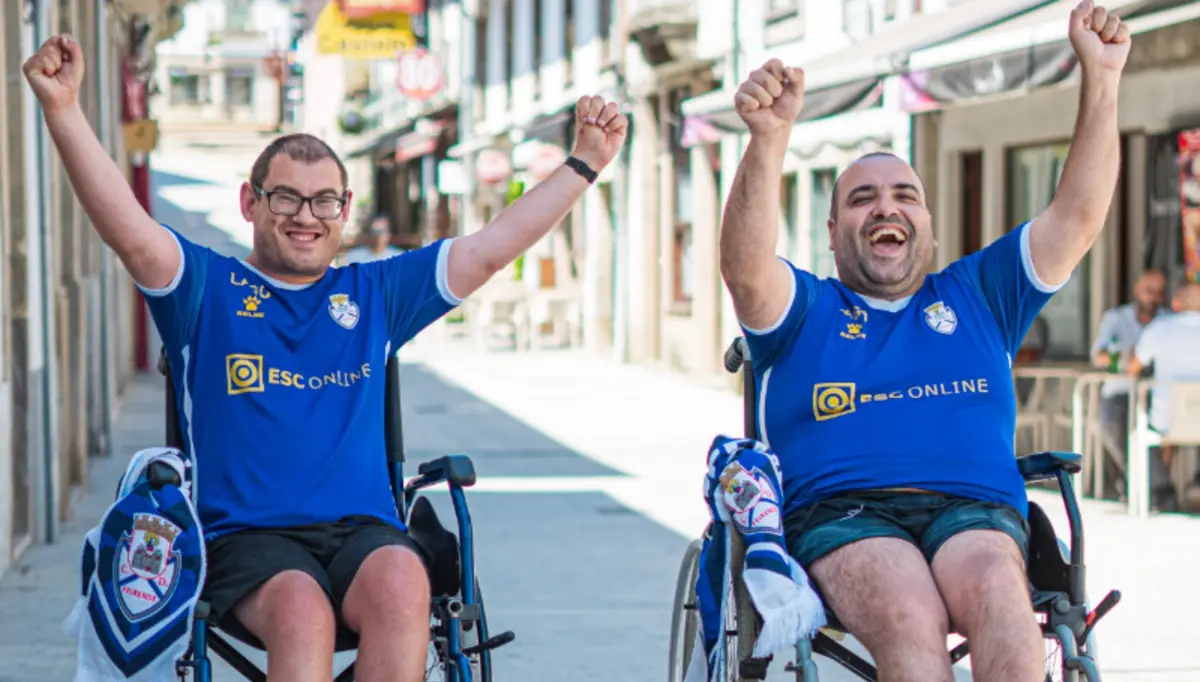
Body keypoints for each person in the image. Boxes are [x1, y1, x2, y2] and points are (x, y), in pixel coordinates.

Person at [24, 32, 627, 682]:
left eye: (324, 201)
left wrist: (583, 165)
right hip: (247, 540)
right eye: (285, 197)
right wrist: (63, 110)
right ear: (250, 203)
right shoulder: (206, 289)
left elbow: (489, 247)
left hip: (361, 533)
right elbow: (130, 233)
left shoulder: (374, 293)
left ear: (343, 212)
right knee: (303, 613)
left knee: (404, 580)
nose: (305, 216)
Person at [718, 3, 1128, 681]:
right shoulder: (808, 308)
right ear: (831, 232)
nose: (886, 207)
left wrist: (1104, 78)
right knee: (908, 614)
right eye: (862, 198)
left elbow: (1078, 216)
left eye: (905, 195)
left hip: (974, 508)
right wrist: (768, 138)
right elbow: (744, 267)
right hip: (847, 512)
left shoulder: (980, 293)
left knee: (1003, 595)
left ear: (928, 226)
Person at [1088, 269, 1169, 500]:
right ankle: (1145, 482)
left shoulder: (1167, 320)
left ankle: (1151, 487)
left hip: (1156, 390)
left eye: (1159, 292)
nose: (1153, 297)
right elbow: (1098, 355)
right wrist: (1124, 360)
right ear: (1137, 290)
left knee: (1161, 432)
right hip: (1120, 388)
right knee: (1110, 425)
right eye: (1149, 291)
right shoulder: (1116, 318)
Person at [1127, 282, 1200, 510]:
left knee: (1152, 420)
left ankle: (1162, 489)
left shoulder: (1159, 328)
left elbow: (1133, 367)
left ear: (1176, 304)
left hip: (1167, 419)